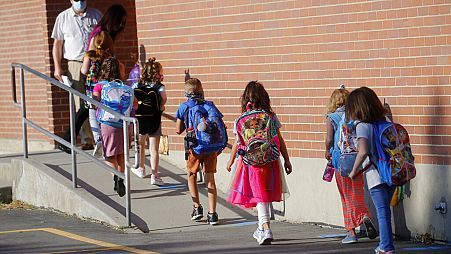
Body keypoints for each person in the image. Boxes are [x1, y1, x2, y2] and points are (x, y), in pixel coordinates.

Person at [226, 81, 292, 245]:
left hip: (250, 162)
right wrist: (287, 159)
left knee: (259, 194)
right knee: (264, 193)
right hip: (270, 160)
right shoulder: (270, 116)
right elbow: (280, 139)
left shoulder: (241, 120)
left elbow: (237, 141)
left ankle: (265, 227)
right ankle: (262, 227)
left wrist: (231, 159)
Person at [57, 4, 127, 154]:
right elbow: (89, 56)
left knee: (87, 109)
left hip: (95, 80)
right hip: (94, 80)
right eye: (121, 21)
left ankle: (71, 140)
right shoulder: (101, 34)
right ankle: (72, 139)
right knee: (85, 109)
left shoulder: (103, 31)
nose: (122, 25)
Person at [325, 85, 377, 244]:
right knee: (357, 193)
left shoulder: (331, 117)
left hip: (340, 160)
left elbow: (328, 140)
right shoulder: (356, 115)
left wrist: (327, 152)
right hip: (358, 160)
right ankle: (365, 216)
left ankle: (351, 233)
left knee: (345, 197)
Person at [346, 87, 395, 254]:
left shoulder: (362, 126)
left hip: (375, 174)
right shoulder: (386, 121)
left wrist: (353, 171)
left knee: (382, 212)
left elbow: (363, 151)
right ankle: (385, 245)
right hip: (392, 171)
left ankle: (386, 247)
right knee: (385, 211)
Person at [52, 0, 102, 152]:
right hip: (75, 63)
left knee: (97, 99)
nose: (79, 2)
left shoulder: (96, 15)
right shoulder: (63, 17)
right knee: (80, 103)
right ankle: (88, 139)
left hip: (95, 62)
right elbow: (57, 44)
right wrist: (57, 66)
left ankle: (100, 136)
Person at [175, 77, 220, 225]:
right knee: (210, 180)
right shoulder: (210, 105)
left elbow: (178, 130)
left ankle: (197, 208)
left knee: (191, 175)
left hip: (194, 147)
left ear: (186, 93)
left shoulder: (184, 107)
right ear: (201, 90)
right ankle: (212, 214)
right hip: (211, 146)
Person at [92, 57, 129, 197]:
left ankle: (116, 177)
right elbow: (135, 104)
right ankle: (121, 177)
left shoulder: (99, 86)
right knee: (120, 153)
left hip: (108, 124)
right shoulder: (122, 86)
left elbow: (95, 103)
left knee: (109, 155)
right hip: (124, 123)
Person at [131, 57, 167, 186]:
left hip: (141, 119)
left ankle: (140, 168)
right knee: (154, 148)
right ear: (156, 73)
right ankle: (155, 175)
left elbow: (133, 99)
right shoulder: (159, 87)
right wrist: (161, 106)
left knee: (140, 144)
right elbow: (163, 99)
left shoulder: (137, 85)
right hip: (155, 119)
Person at [79, 31, 114, 158]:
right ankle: (106, 140)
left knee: (92, 114)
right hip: (105, 91)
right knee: (104, 115)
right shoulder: (109, 57)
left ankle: (98, 139)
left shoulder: (90, 56)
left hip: (91, 92)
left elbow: (83, 70)